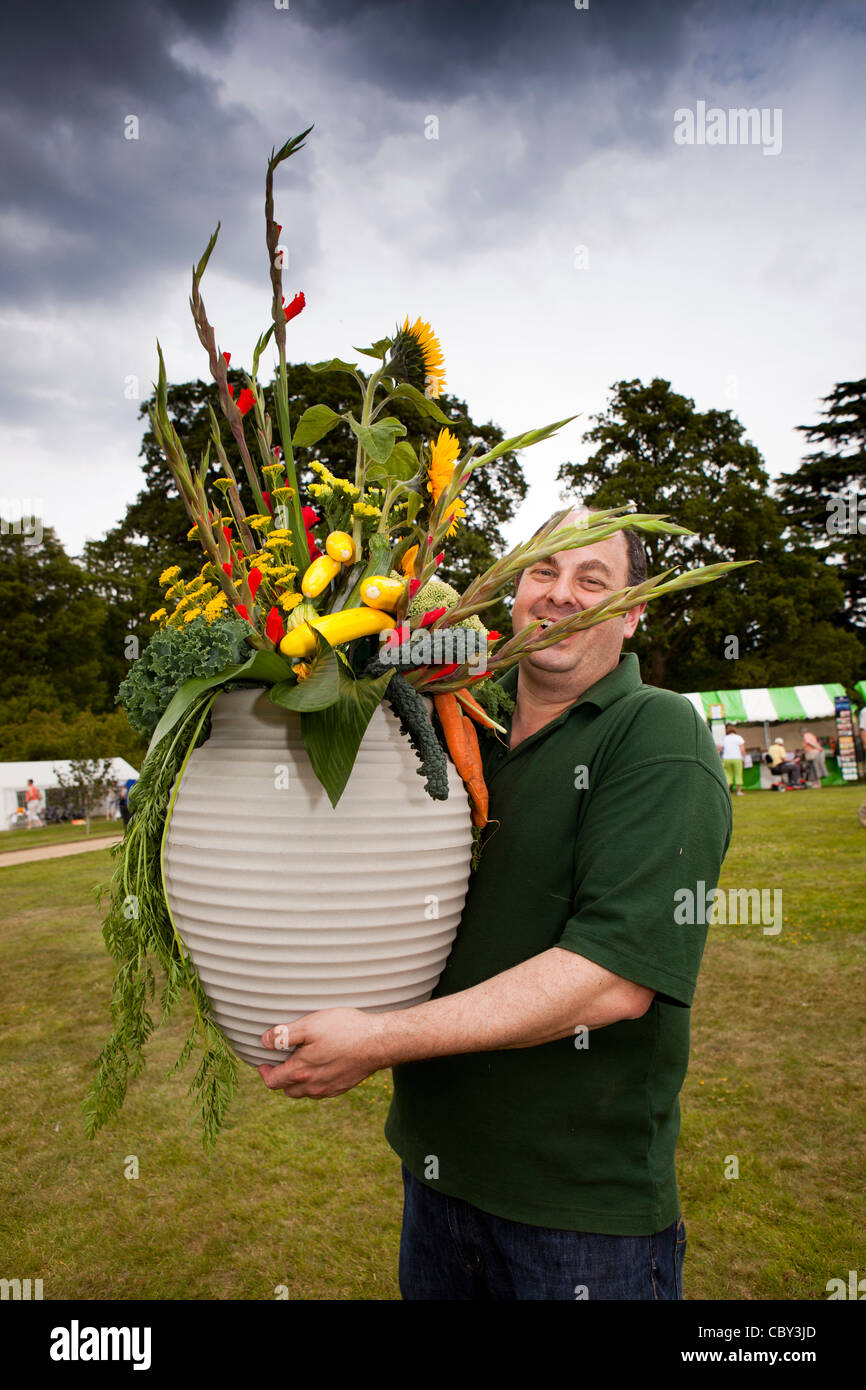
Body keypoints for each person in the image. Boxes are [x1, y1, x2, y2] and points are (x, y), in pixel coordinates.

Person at [256, 507, 732, 1301]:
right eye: (543, 572)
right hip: (437, 1180)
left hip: (577, 1219)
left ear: (635, 608)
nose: (560, 595)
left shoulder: (655, 731)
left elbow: (611, 977)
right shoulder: (455, 720)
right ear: (513, 591)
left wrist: (377, 1038)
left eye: (593, 579)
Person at [721, 724, 746, 796]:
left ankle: (727, 792)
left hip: (726, 759)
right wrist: (744, 759)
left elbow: (720, 749)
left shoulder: (725, 738)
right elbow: (743, 750)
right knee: (738, 774)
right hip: (737, 758)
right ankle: (739, 791)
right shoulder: (739, 738)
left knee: (728, 775)